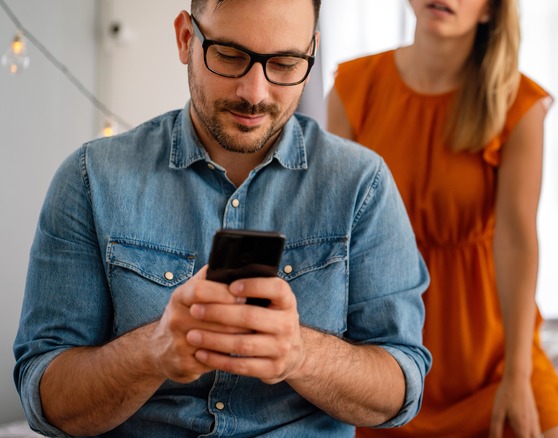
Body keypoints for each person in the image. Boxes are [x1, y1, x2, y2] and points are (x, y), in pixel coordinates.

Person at [13, 0, 432, 436]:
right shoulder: (91, 178)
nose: (255, 93)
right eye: (230, 56)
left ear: (311, 55)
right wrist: (152, 352)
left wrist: (300, 354)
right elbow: (44, 399)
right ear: (185, 39)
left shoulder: (362, 184)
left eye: (285, 64)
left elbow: (401, 389)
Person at [327, 1, 558, 437]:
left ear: (489, 11)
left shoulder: (519, 104)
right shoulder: (355, 88)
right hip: (386, 348)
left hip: (490, 358)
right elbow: (333, 234)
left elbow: (517, 244)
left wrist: (517, 376)